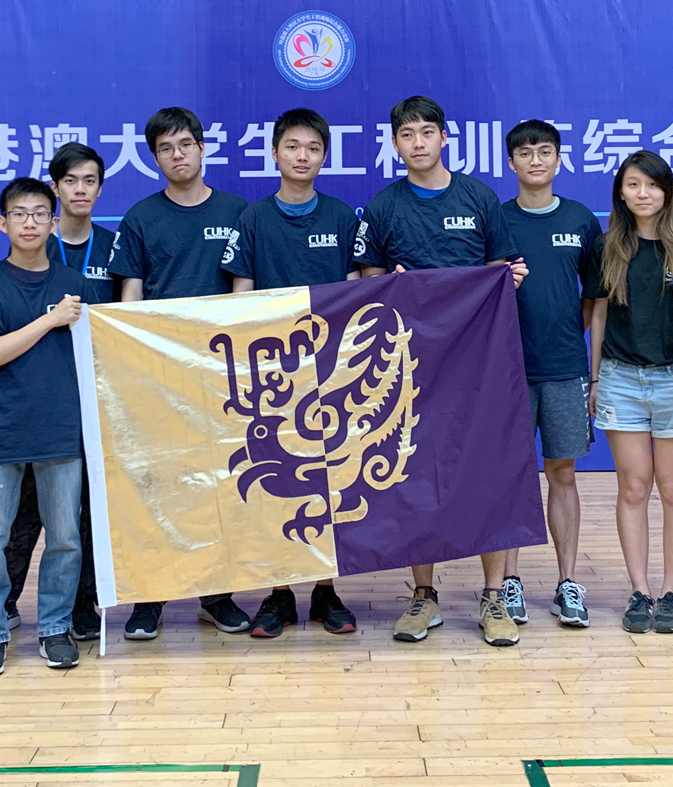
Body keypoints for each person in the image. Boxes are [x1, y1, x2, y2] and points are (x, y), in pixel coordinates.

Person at [354, 95, 528, 647]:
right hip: (410, 367)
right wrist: (391, 286)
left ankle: (495, 595)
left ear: (446, 138)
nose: (419, 142)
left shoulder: (478, 198)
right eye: (407, 134)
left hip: (480, 362)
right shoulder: (383, 206)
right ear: (395, 144)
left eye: (428, 132)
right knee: (415, 472)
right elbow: (365, 285)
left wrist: (508, 279)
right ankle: (423, 595)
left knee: (489, 470)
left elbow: (507, 268)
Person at [107, 107, 251, 640]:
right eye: (166, 149)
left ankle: (217, 594)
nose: (178, 155)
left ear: (202, 147)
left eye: (185, 144)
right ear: (154, 158)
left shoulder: (238, 211)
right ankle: (151, 597)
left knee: (219, 485)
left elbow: (245, 289)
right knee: (156, 488)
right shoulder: (142, 218)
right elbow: (130, 299)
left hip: (217, 374)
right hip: (157, 376)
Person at [221, 108, 363, 638]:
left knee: (334, 481)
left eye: (313, 149)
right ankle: (278, 594)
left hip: (330, 375)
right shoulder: (254, 219)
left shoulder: (342, 217)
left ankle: (327, 591)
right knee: (274, 482)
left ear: (325, 157)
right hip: (271, 377)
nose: (303, 156)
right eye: (293, 147)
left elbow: (356, 294)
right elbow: (239, 297)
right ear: (275, 153)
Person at [0, 142, 116, 647]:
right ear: (55, 190)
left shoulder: (114, 245)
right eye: (71, 182)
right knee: (21, 515)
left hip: (90, 398)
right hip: (28, 403)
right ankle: (4, 605)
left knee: (79, 515)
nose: (81, 190)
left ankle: (80, 608)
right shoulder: (25, 252)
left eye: (90, 181)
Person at [0, 177, 91, 677]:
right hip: (3, 434)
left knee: (65, 539)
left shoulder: (75, 285)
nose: (31, 222)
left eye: (41, 213)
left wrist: (63, 313)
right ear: (3, 223)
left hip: (62, 432)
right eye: (20, 214)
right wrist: (50, 319)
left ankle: (55, 628)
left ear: (54, 222)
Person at [583, 151, 673, 635]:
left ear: (668, 191)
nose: (643, 194)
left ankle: (671, 591)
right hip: (620, 379)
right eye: (633, 185)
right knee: (633, 487)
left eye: (652, 185)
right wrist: (594, 380)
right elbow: (598, 315)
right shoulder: (607, 245)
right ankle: (639, 590)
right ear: (621, 192)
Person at [497, 120, 601, 628]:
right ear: (510, 163)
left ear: (558, 161)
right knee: (512, 478)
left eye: (544, 152)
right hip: (506, 374)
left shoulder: (582, 219)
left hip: (564, 371)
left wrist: (589, 368)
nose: (535, 160)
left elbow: (594, 300)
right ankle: (509, 582)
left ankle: (566, 582)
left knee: (562, 474)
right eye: (524, 152)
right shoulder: (494, 220)